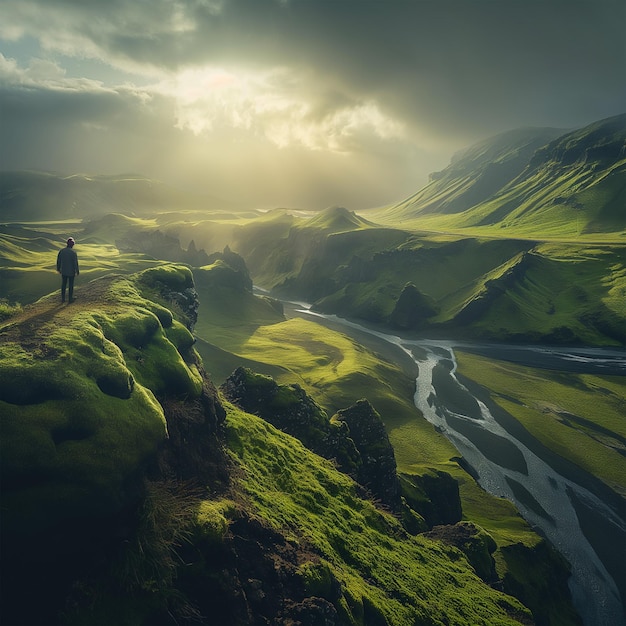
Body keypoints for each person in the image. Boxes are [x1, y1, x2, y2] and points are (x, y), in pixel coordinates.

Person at [57, 237, 79, 303]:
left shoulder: (62, 251)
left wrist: (58, 268)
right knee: (70, 285)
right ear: (72, 245)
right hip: (71, 271)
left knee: (63, 284)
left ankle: (63, 299)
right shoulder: (73, 252)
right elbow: (75, 262)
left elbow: (58, 261)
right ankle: (70, 299)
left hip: (64, 271)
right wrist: (77, 270)